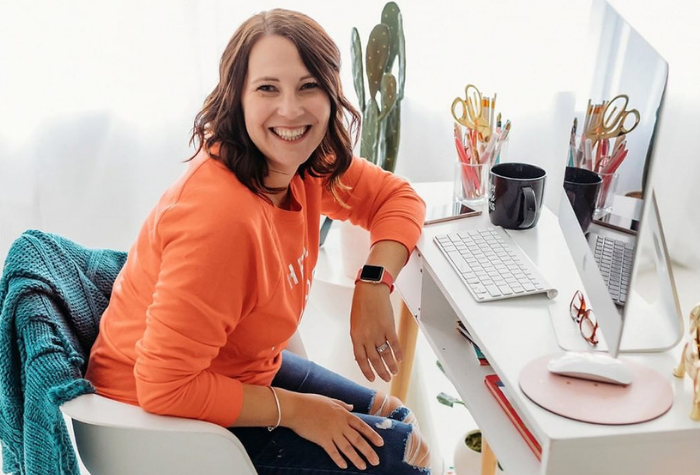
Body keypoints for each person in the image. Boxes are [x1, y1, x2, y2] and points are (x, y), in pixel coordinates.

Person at [85, 8, 429, 475]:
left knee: (399, 421)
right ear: (238, 98)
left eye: (308, 86)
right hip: (155, 421)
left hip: (239, 370)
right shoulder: (222, 219)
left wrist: (373, 282)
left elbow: (397, 197)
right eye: (268, 88)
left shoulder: (300, 162)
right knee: (403, 458)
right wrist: (300, 410)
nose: (290, 110)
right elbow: (163, 387)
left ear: (330, 96)